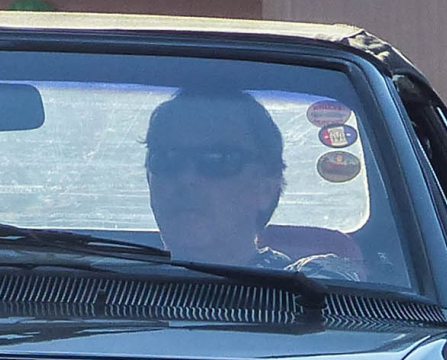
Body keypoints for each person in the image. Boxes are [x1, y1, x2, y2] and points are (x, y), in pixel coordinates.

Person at [144, 90, 350, 274]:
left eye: (218, 160)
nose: (186, 178)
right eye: (166, 159)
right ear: (149, 179)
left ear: (267, 187)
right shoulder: (116, 283)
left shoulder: (316, 291)